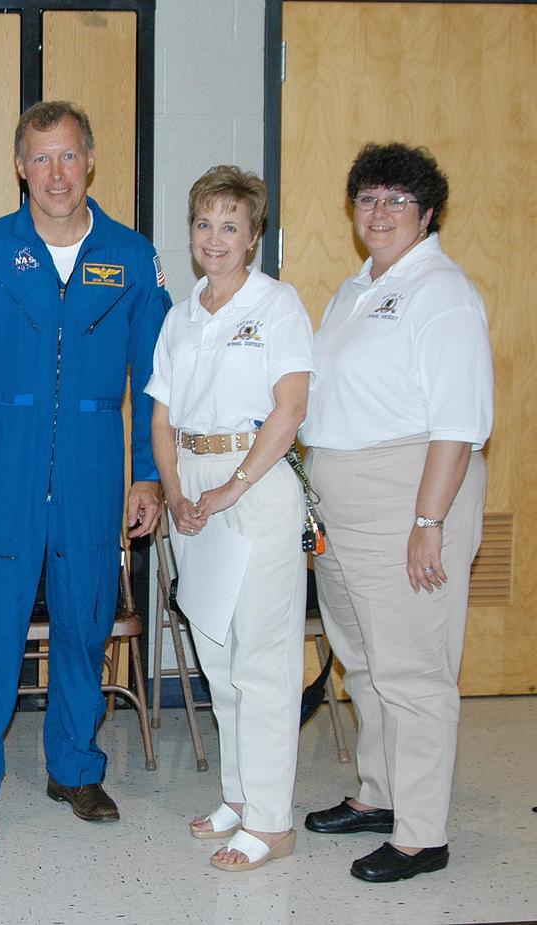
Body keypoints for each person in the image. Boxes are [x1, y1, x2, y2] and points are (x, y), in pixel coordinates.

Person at [0, 100, 168, 841]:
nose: (56, 174)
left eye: (68, 156)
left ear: (90, 160)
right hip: (4, 458)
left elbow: (157, 376)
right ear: (19, 166)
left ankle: (75, 767)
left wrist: (147, 473)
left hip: (96, 464)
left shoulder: (130, 257)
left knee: (84, 626)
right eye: (41, 158)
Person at [301, 143, 492, 883]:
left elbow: (458, 423)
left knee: (413, 667)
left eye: (396, 201)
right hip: (344, 498)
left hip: (409, 492)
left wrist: (428, 521)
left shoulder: (441, 291)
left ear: (428, 212)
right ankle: (381, 795)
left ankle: (421, 833)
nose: (378, 212)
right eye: (368, 198)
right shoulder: (357, 290)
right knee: (366, 661)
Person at [147, 165, 313, 871]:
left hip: (258, 482)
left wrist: (230, 489)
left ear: (253, 235)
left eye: (230, 226)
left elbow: (291, 409)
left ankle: (272, 819)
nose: (214, 238)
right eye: (203, 224)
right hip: (196, 487)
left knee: (263, 659)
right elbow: (161, 415)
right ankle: (239, 797)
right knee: (217, 657)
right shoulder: (180, 315)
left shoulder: (278, 305)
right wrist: (179, 489)